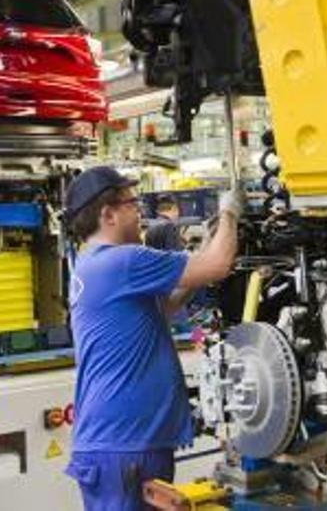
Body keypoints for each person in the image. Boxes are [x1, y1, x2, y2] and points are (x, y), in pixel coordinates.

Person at [62, 167, 241, 510]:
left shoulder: (93, 264)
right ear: (108, 214)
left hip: (124, 443)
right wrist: (230, 212)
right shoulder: (123, 261)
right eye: (132, 204)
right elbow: (218, 265)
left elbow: (168, 303)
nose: (140, 213)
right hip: (124, 446)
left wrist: (207, 243)